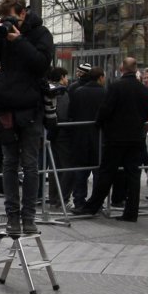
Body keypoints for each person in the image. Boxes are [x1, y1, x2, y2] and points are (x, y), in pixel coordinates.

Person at [0, 0, 55, 236]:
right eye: (5, 16)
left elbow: (41, 64)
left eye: (12, 16)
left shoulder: (41, 33)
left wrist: (19, 40)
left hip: (30, 107)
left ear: (23, 13)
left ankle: (28, 216)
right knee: (9, 162)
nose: (10, 21)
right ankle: (12, 216)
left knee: (29, 164)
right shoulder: (2, 34)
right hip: (6, 106)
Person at [76, 57, 148, 221]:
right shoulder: (143, 89)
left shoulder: (116, 86)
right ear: (136, 68)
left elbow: (106, 109)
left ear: (121, 68)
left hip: (116, 137)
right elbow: (147, 113)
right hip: (136, 137)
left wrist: (99, 123)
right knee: (133, 175)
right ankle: (131, 212)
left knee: (106, 172)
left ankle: (92, 206)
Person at [61, 65, 105, 210]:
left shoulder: (78, 92)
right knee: (98, 171)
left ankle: (79, 201)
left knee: (81, 171)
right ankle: (96, 203)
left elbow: (71, 113)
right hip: (99, 137)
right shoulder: (105, 93)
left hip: (80, 136)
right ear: (100, 78)